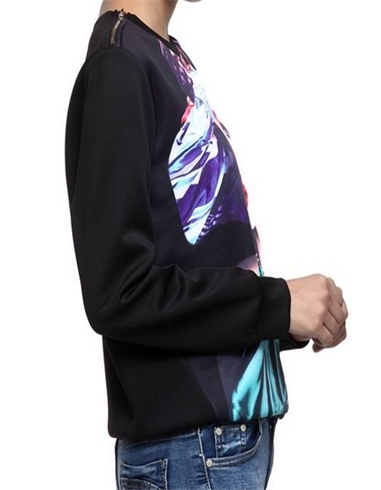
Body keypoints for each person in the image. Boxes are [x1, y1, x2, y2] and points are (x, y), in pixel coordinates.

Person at [65, 1, 348, 488]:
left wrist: (290, 317)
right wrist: (276, 303)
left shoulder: (156, 54)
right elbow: (119, 293)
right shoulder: (119, 66)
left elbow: (193, 260)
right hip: (194, 452)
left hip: (216, 447)